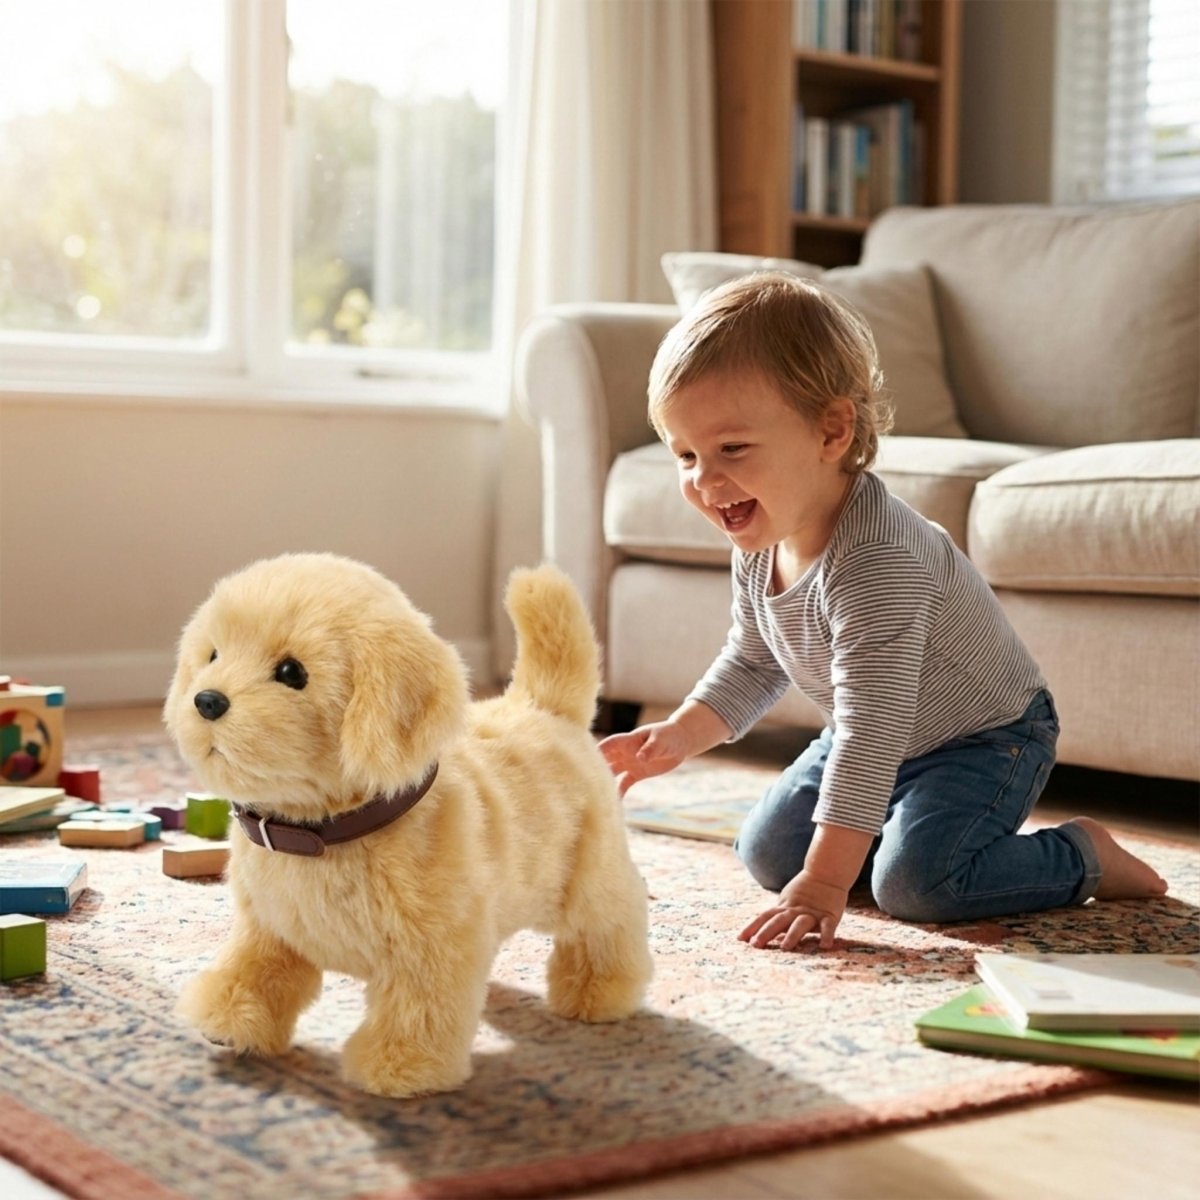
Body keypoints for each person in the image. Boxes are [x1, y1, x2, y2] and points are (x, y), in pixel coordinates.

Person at [600, 271, 1168, 952]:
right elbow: (753, 662)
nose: (704, 480)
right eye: (686, 455)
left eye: (732, 450)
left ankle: (1082, 855)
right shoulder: (762, 534)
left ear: (832, 430)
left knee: (918, 885)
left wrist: (826, 883)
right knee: (766, 853)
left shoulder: (877, 562)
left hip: (983, 739)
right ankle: (890, 825)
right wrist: (678, 736)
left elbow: (872, 732)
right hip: (868, 735)